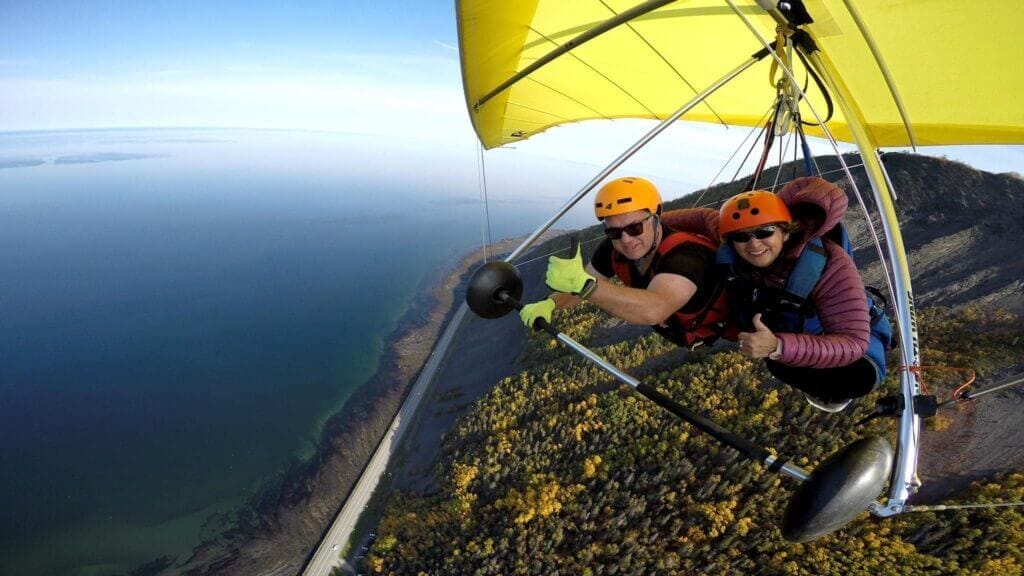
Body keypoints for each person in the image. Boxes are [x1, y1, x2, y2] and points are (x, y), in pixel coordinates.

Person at [717, 177, 884, 412]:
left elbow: (854, 344)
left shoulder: (831, 264)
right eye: (741, 236)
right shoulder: (743, 246)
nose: (753, 244)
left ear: (785, 233)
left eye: (764, 232)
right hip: (807, 330)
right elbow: (706, 220)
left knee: (850, 379)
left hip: (854, 353)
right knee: (779, 363)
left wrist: (777, 346)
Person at [520, 176, 731, 349]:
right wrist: (550, 303)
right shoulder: (614, 247)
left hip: (730, 329)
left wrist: (585, 286)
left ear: (656, 217)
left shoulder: (687, 256)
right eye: (614, 231)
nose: (626, 240)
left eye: (634, 228)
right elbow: (579, 290)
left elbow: (654, 309)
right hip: (680, 329)